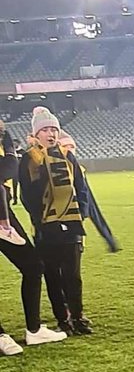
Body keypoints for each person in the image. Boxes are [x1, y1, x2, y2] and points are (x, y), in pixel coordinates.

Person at [19, 106, 94, 336]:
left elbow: (80, 187)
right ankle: (63, 318)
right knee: (53, 274)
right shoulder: (30, 159)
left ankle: (78, 315)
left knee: (73, 275)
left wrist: (80, 212)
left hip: (71, 223)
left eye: (54, 129)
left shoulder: (68, 155)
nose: (51, 134)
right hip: (46, 226)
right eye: (45, 130)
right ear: (36, 134)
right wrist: (41, 220)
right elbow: (26, 195)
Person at [0, 130, 67, 354]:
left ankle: (34, 329)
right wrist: (10, 152)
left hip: (3, 214)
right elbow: (6, 169)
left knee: (33, 265)